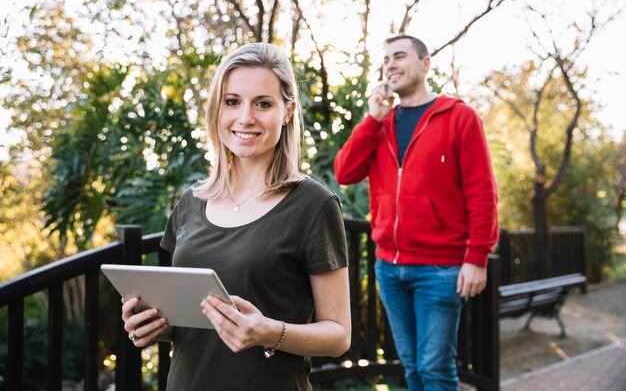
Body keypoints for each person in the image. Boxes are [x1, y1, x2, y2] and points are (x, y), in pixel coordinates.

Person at [121, 42, 351, 391]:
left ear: (287, 111)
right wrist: (152, 325)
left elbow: (338, 335)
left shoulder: (313, 204)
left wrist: (269, 333)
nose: (245, 118)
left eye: (263, 103)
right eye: (232, 101)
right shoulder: (190, 202)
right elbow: (190, 321)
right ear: (217, 109)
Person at [334, 35, 498, 391]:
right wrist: (372, 118)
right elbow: (345, 172)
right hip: (389, 268)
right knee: (411, 367)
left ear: (425, 64)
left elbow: (482, 193)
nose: (390, 64)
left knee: (435, 369)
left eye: (399, 56)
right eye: (386, 60)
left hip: (440, 270)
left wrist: (477, 257)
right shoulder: (382, 124)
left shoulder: (459, 117)